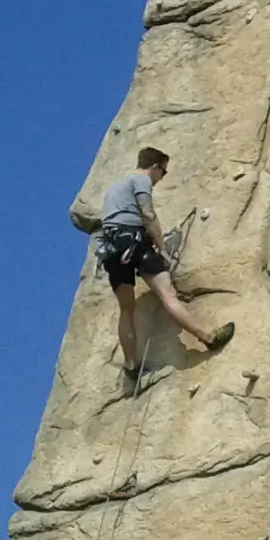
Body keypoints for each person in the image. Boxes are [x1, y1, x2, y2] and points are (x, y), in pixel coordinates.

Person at [97, 147, 234, 389]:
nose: (162, 177)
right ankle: (208, 337)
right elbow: (147, 214)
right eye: (164, 172)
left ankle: (130, 365)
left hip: (111, 250)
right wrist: (161, 248)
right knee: (167, 294)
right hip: (135, 243)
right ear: (155, 167)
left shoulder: (113, 190)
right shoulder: (140, 180)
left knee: (126, 309)